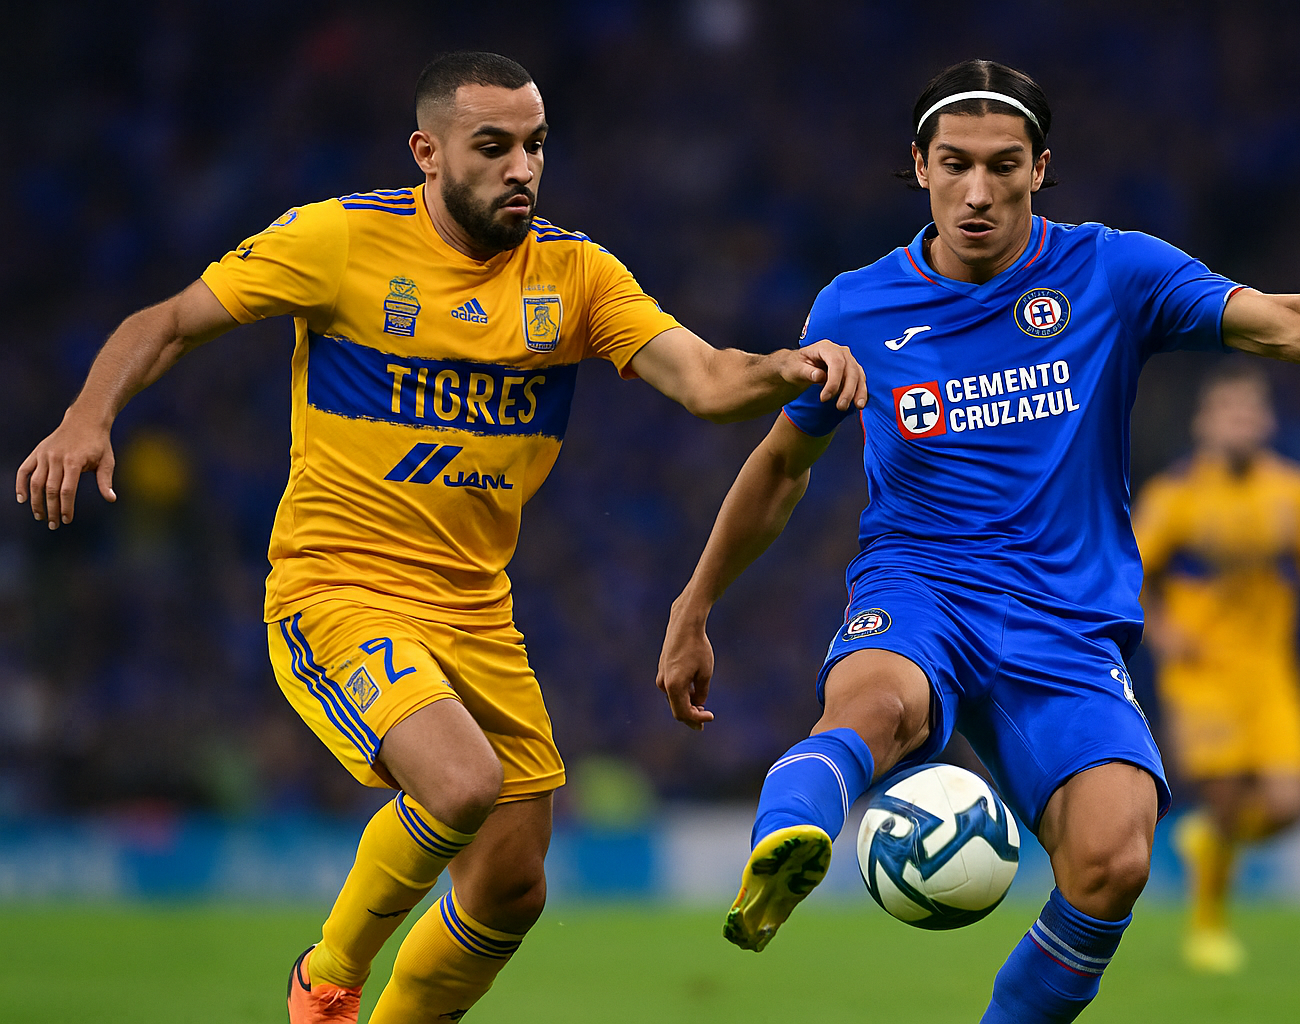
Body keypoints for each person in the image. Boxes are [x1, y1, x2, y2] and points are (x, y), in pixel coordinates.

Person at [16, 51, 865, 1024]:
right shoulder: (339, 243)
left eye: (536, 146)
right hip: (337, 589)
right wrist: (89, 415)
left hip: (476, 613)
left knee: (513, 883)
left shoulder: (576, 275)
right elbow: (166, 322)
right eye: (493, 145)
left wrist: (790, 368)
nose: (522, 168)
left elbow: (709, 380)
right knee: (461, 783)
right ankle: (326, 979)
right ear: (428, 151)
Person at [655, 58, 1300, 1023]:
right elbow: (779, 467)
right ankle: (787, 844)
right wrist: (694, 605)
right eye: (955, 164)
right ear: (919, 167)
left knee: (1115, 857)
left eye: (1003, 165)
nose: (978, 191)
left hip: (1063, 619)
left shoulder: (1113, 271)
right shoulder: (856, 308)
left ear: (1041, 167)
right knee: (873, 701)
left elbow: (1294, 328)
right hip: (921, 585)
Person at [1134, 361, 1300, 974]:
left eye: (1250, 412)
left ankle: (1207, 842)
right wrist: (1163, 627)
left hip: (1271, 670)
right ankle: (1208, 925)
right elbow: (1132, 576)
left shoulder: (1296, 491)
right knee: (1227, 792)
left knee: (1289, 804)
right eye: (1227, 411)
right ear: (1204, 422)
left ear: (1266, 422)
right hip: (1203, 671)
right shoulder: (1174, 497)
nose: (1240, 423)